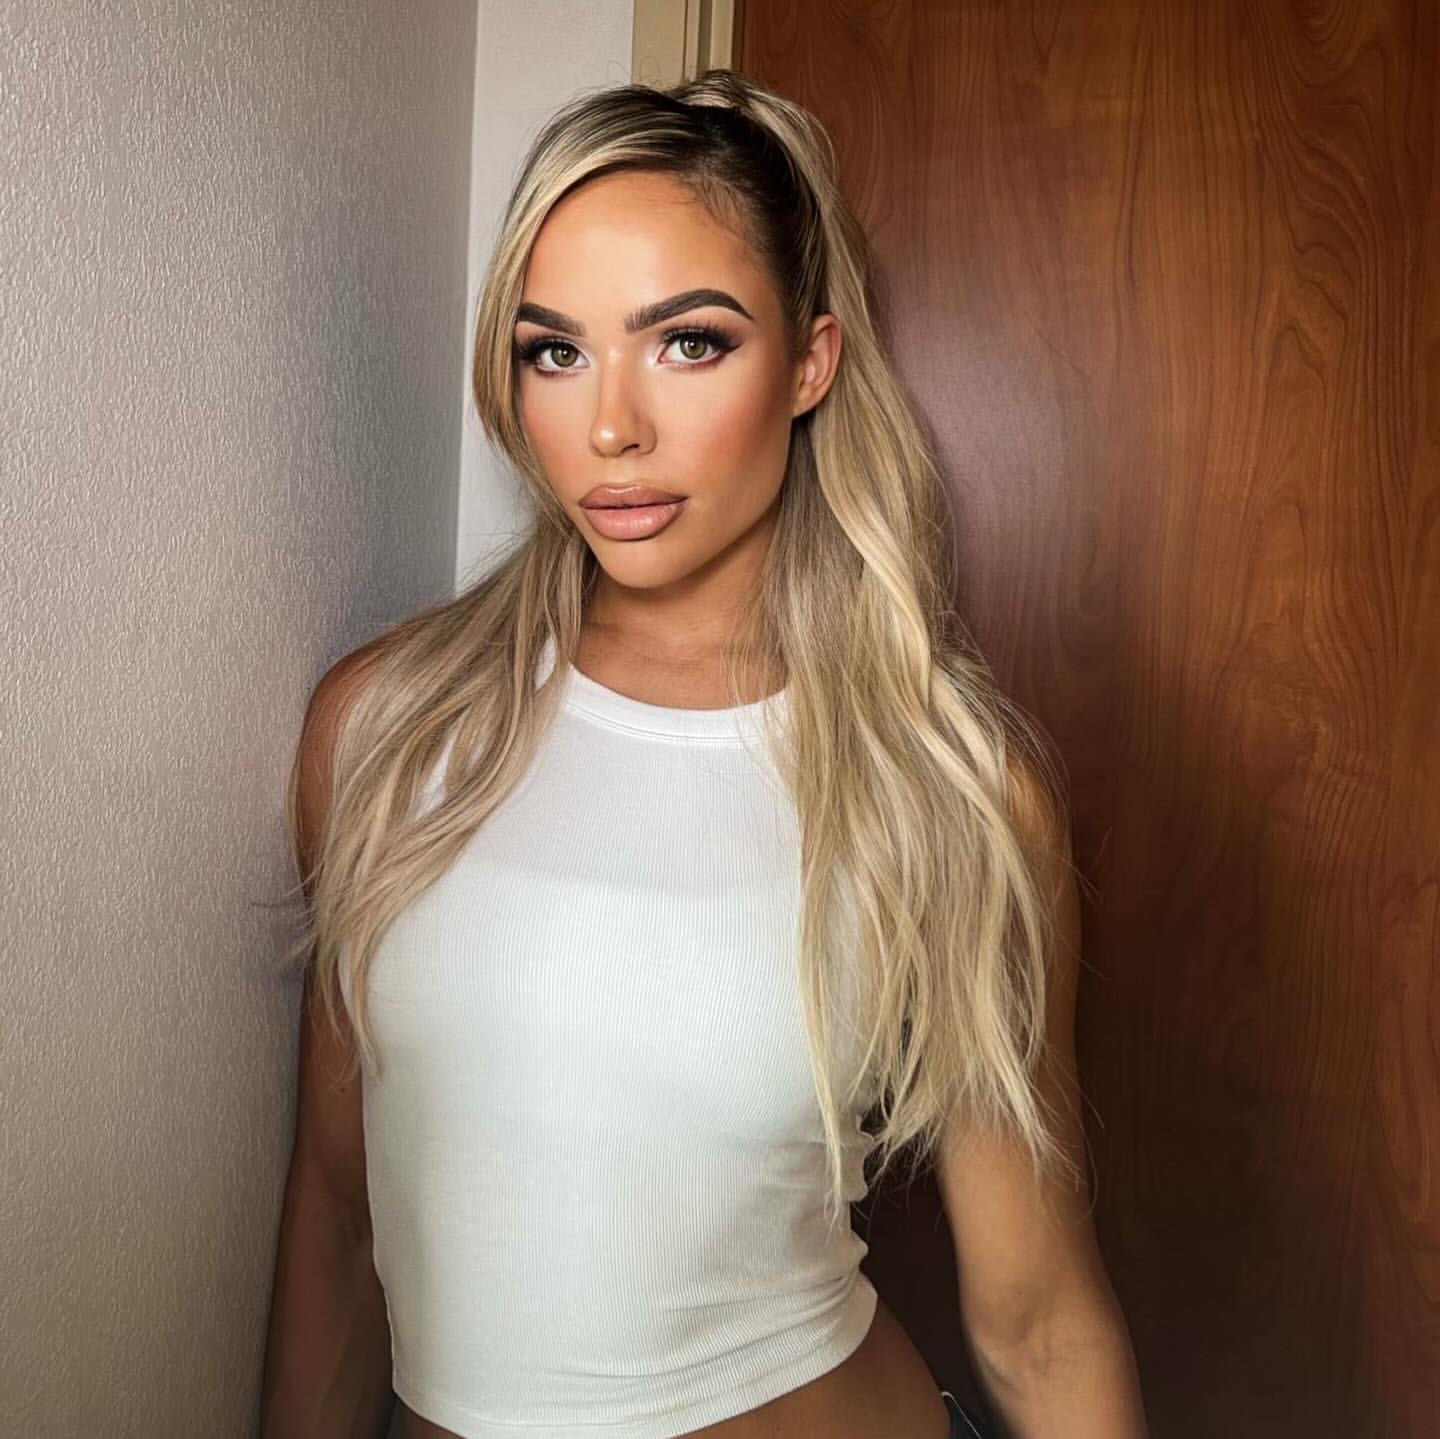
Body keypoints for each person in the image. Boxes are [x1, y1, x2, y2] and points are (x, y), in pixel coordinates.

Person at [260, 70, 1149, 1439]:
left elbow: (1039, 1323)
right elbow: (336, 1217)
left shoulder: (945, 786)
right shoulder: (384, 731)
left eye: (687, 342)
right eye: (555, 352)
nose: (610, 425)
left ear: (810, 362)